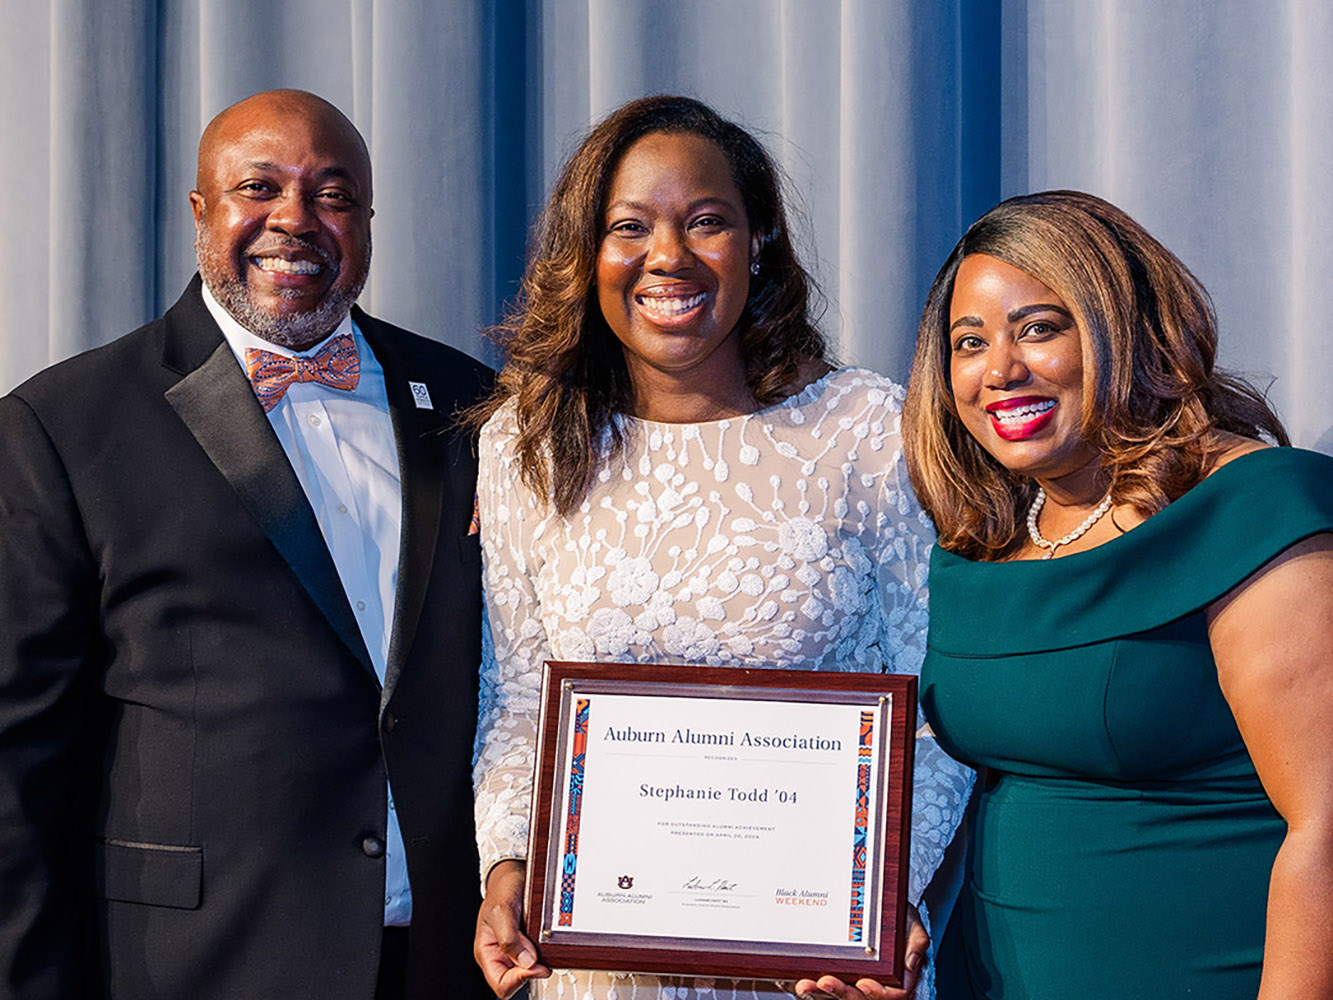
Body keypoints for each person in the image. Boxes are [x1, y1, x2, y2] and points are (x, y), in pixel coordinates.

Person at [469, 95, 973, 1000]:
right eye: (630, 227)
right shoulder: (523, 445)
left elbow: (936, 702)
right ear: (586, 257)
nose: (668, 255)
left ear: (759, 245)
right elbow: (515, 705)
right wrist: (508, 869)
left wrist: (884, 896)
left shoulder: (869, 431)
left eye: (706, 222)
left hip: (817, 968)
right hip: (595, 971)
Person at [0, 89, 492, 999]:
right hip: (200, 963)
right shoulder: (62, 426)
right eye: (258, 187)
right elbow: (16, 766)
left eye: (334, 195)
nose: (295, 220)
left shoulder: (472, 404)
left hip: (446, 962)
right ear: (201, 211)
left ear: (370, 221)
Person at [903, 190, 1333, 999]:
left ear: (1122, 327)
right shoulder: (980, 541)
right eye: (969, 342)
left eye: (1038, 328)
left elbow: (1326, 826)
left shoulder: (1253, 508)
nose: (999, 370)